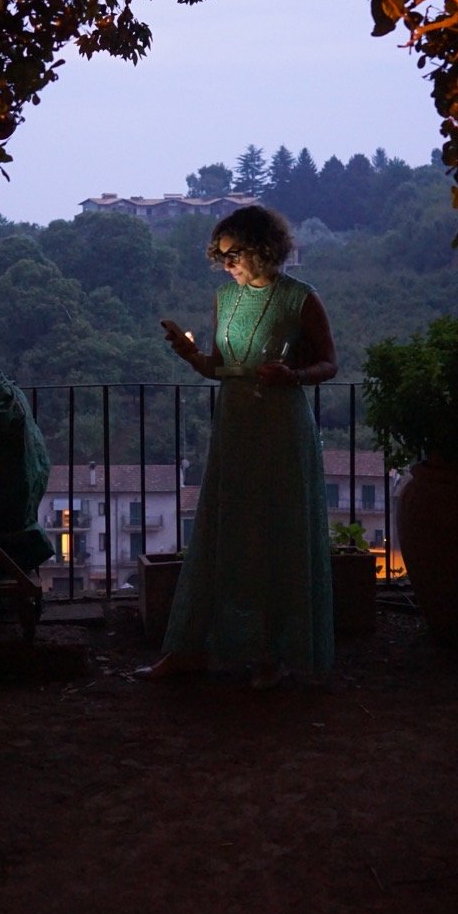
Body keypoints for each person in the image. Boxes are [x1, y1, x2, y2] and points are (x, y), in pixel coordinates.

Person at [140, 205, 337, 689]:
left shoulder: (300, 299)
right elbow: (219, 366)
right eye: (220, 255)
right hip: (234, 424)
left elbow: (330, 363)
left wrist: (294, 375)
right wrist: (191, 356)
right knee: (223, 530)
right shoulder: (225, 299)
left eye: (234, 253)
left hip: (281, 426)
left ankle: (273, 653)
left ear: (263, 249)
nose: (226, 262)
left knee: (275, 533)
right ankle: (194, 647)